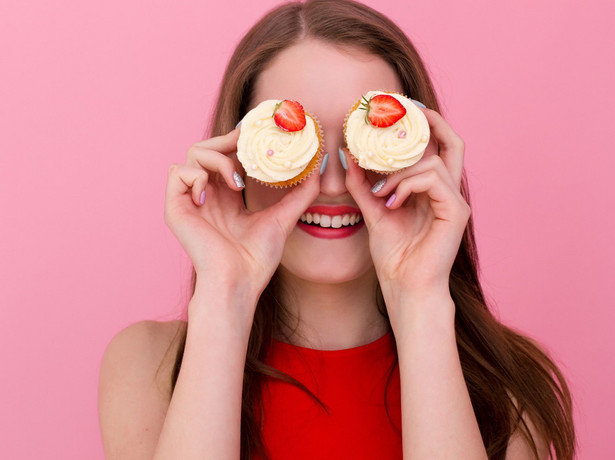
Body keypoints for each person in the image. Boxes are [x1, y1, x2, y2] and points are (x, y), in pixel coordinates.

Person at [98, 0, 575, 458]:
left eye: (362, 142)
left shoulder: (504, 385)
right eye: (293, 140)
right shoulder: (150, 366)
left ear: (425, 153)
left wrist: (420, 296)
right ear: (236, 156)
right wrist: (226, 292)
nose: (330, 183)